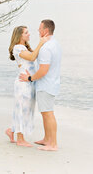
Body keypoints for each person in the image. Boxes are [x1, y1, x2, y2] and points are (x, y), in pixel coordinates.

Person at [20, 19, 62, 151]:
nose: (38, 31)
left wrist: (30, 78)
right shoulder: (55, 44)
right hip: (53, 83)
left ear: (45, 31)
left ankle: (53, 144)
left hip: (46, 85)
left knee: (48, 113)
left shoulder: (46, 48)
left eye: (40, 29)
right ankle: (47, 139)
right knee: (45, 113)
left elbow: (43, 70)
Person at [5, 26, 49, 147]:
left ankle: (11, 131)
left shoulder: (24, 47)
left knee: (25, 109)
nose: (29, 34)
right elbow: (32, 57)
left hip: (29, 82)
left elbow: (34, 55)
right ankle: (20, 139)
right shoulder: (18, 48)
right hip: (23, 83)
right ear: (20, 36)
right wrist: (41, 43)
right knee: (22, 110)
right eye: (26, 32)